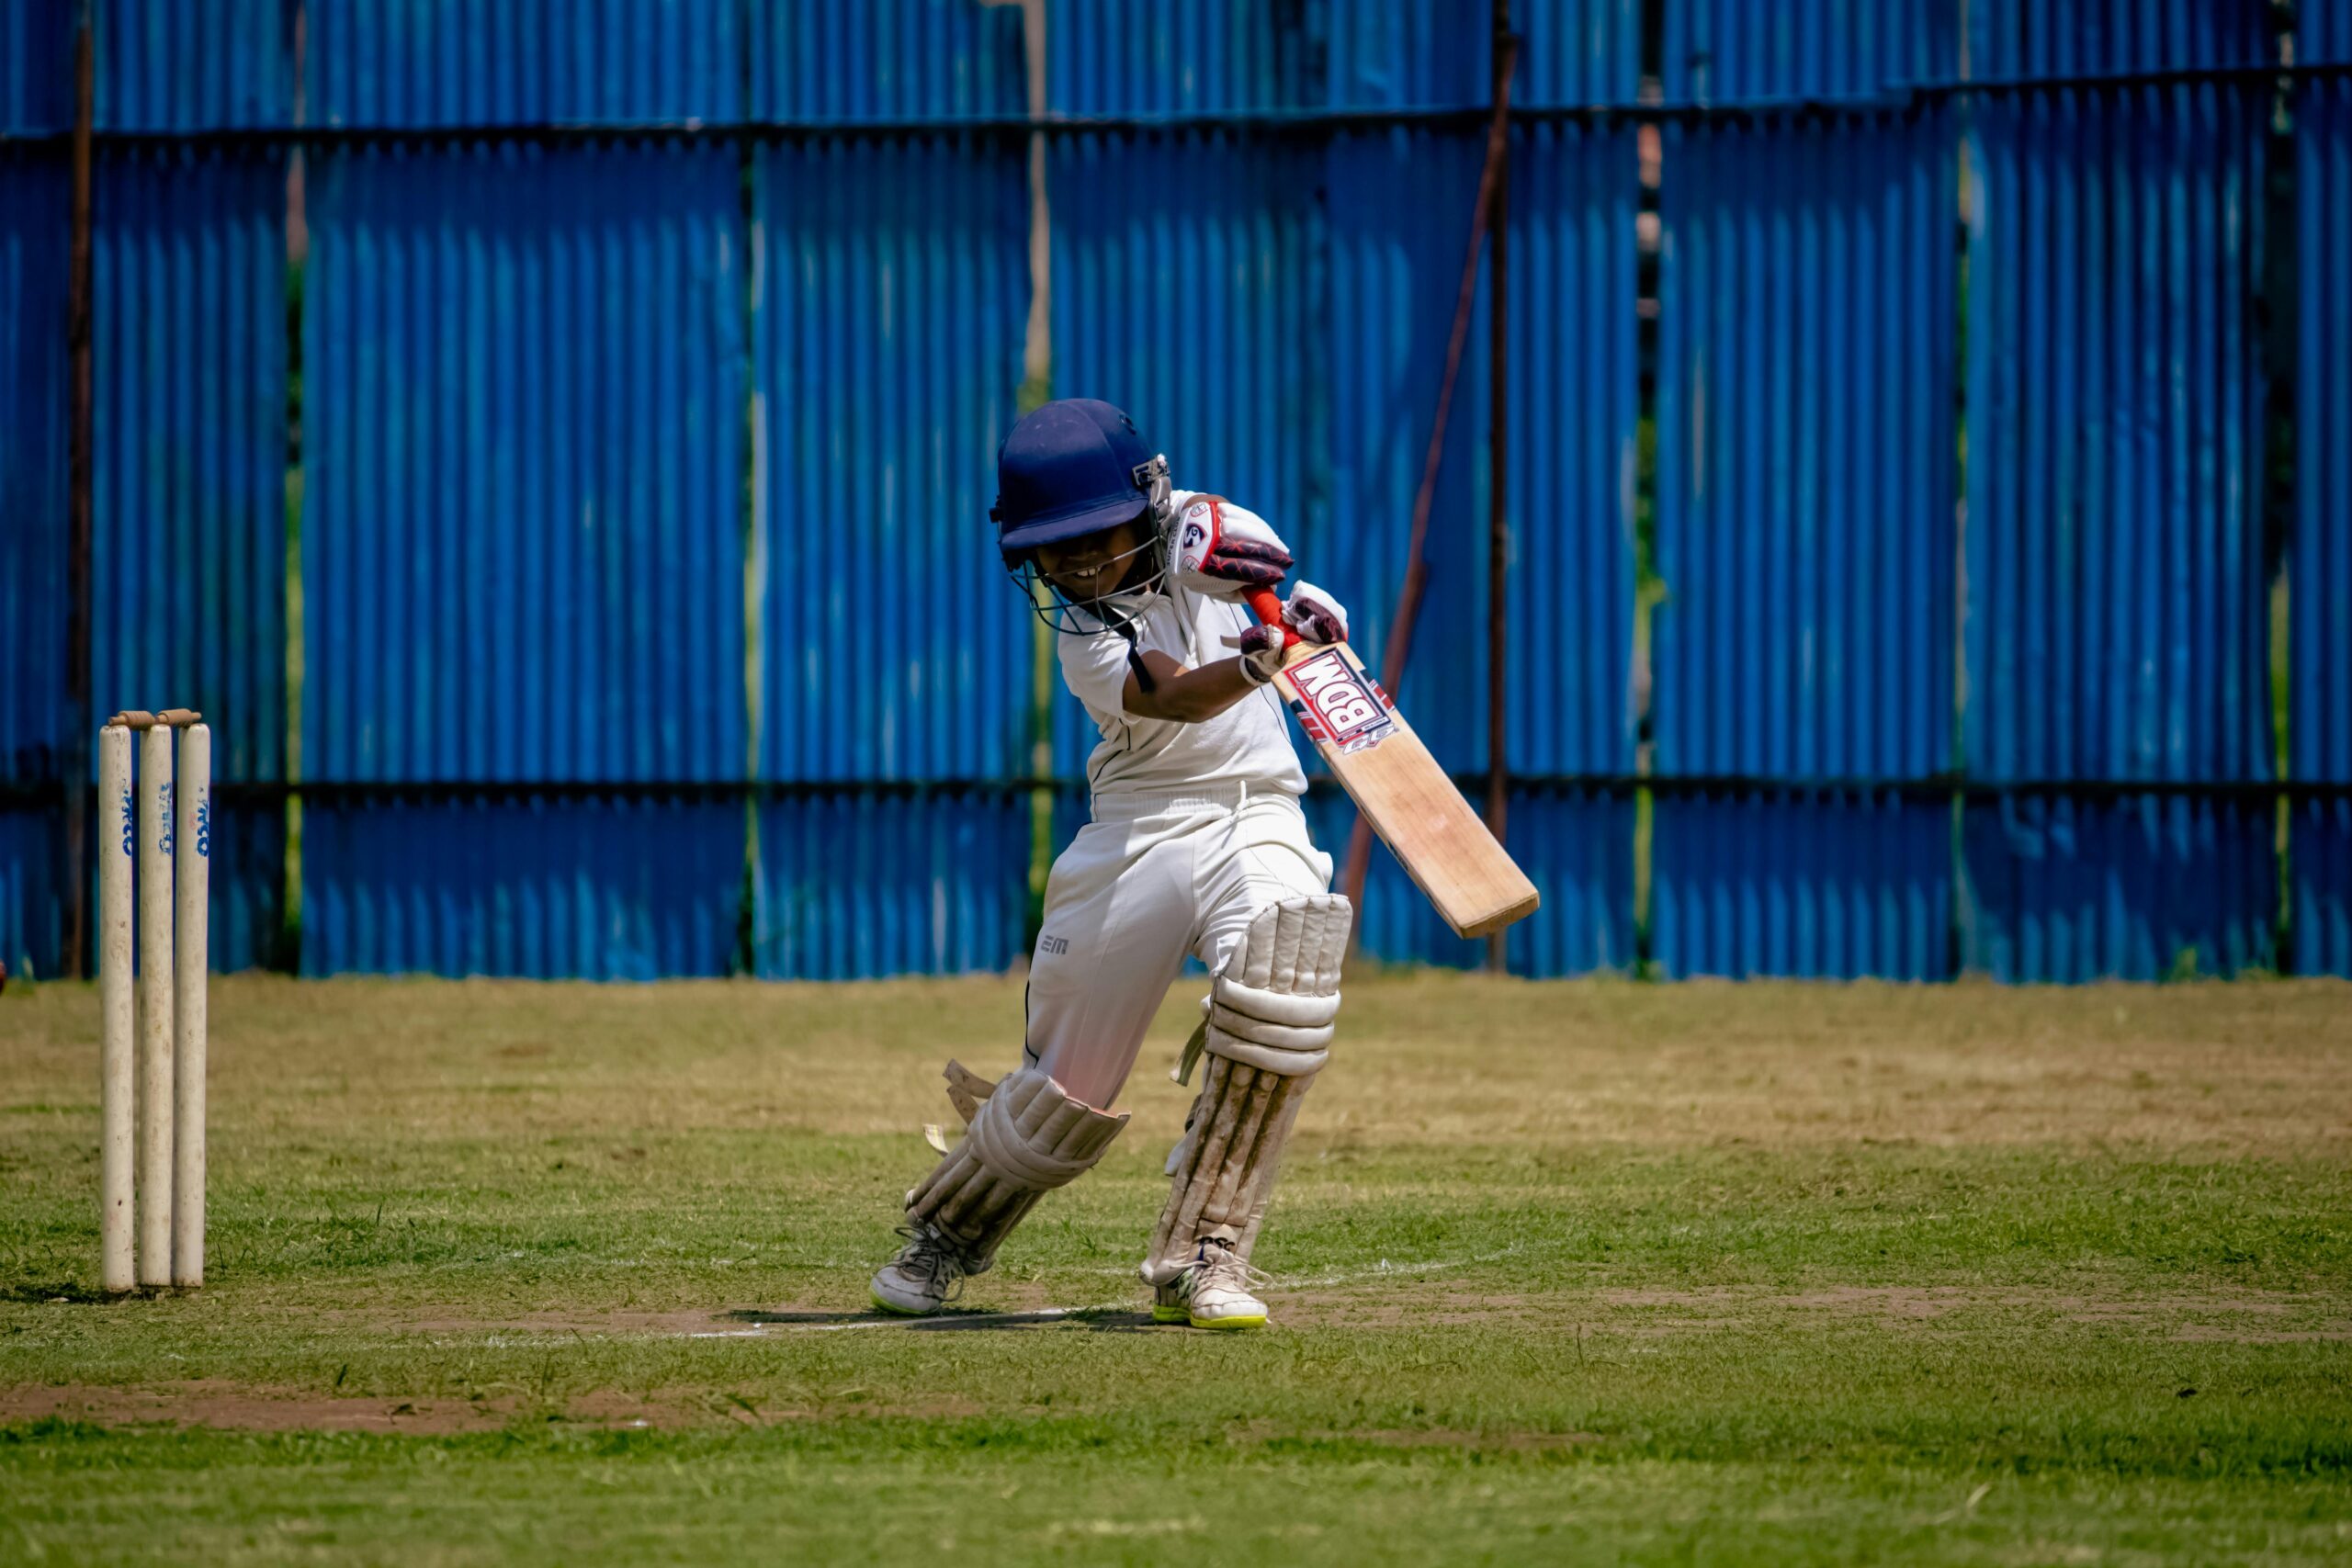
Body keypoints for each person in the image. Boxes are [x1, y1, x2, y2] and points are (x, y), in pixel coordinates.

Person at [869, 398, 1354, 1330]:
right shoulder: (1088, 642)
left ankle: (1207, 1253)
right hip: (1139, 828)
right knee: (1066, 1086)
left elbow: (1258, 563)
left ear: (1148, 504)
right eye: (1054, 549)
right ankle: (945, 1235)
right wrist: (1263, 663)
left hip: (1259, 808)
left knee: (1282, 987)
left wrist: (1302, 618)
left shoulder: (1207, 531)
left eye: (1094, 536)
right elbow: (1174, 698)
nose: (1080, 563)